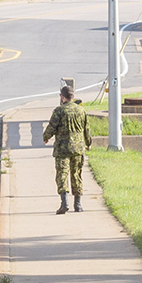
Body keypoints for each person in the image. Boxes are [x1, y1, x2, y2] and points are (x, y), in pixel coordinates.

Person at [43, 85, 92, 214]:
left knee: (62, 174)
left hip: (62, 149)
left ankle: (64, 202)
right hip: (78, 148)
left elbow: (52, 127)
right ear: (73, 96)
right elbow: (86, 129)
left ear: (62, 97)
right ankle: (78, 204)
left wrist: (46, 137)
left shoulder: (59, 111)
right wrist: (88, 143)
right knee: (76, 174)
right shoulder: (81, 111)